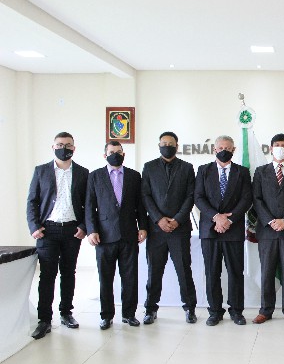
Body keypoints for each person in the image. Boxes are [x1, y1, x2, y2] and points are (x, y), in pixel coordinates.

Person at [26, 132, 89, 339]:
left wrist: (84, 226)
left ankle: (66, 313)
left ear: (74, 148)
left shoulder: (83, 173)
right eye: (60, 145)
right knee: (47, 275)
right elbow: (32, 201)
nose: (64, 148)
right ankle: (44, 319)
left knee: (68, 273)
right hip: (47, 231)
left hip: (72, 231)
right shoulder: (41, 171)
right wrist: (34, 226)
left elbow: (89, 204)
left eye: (68, 145)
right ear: (53, 147)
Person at [86, 141, 148, 330]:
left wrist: (143, 227)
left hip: (129, 234)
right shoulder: (95, 176)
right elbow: (89, 206)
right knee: (105, 278)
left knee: (130, 277)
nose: (115, 154)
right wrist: (91, 230)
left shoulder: (134, 176)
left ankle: (129, 314)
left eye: (119, 152)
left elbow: (140, 205)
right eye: (112, 152)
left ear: (124, 154)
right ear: (105, 155)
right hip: (104, 236)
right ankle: (106, 315)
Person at [194, 135, 252, 326]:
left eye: (227, 148)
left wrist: (229, 219)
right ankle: (214, 311)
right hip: (209, 230)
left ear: (233, 150)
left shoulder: (242, 172)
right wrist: (216, 217)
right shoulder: (203, 170)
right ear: (214, 150)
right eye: (220, 148)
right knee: (212, 273)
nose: (223, 151)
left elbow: (246, 199)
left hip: (233, 230)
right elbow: (198, 197)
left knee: (235, 272)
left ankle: (236, 311)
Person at [141, 131, 197, 325]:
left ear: (176, 146)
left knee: (184, 270)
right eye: (163, 143)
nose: (167, 146)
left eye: (170, 143)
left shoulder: (187, 168)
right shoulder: (149, 167)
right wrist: (159, 219)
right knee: (154, 271)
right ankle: (150, 309)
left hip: (179, 229)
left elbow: (190, 196)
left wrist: (177, 220)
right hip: (156, 230)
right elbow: (146, 196)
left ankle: (189, 308)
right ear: (159, 146)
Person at [251, 134, 284, 325]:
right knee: (267, 271)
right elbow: (256, 199)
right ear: (271, 148)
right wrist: (270, 221)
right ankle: (265, 310)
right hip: (267, 230)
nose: (280, 148)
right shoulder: (260, 172)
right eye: (277, 145)